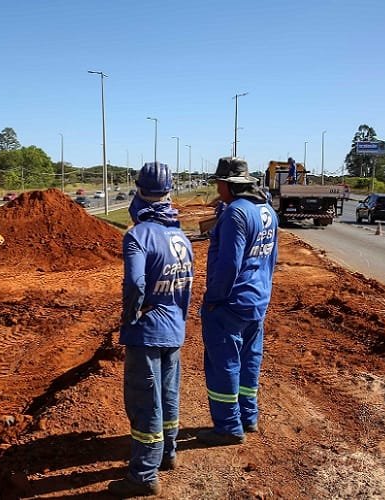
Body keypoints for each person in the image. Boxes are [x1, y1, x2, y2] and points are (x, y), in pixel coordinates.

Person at [108, 162, 194, 498]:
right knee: (169, 396)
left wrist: (131, 316)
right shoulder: (181, 237)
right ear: (169, 192)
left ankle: (143, 474)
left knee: (145, 401)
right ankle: (168, 454)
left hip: (146, 332)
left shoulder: (137, 236)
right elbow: (185, 289)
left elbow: (134, 283)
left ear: (139, 192)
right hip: (174, 328)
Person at [198, 157, 278, 447]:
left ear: (229, 184)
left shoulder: (235, 214)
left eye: (219, 183)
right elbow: (272, 258)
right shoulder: (267, 210)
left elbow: (229, 264)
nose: (217, 188)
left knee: (224, 365)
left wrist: (213, 299)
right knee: (249, 360)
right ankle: (248, 416)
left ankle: (229, 426)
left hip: (230, 303)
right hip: (257, 301)